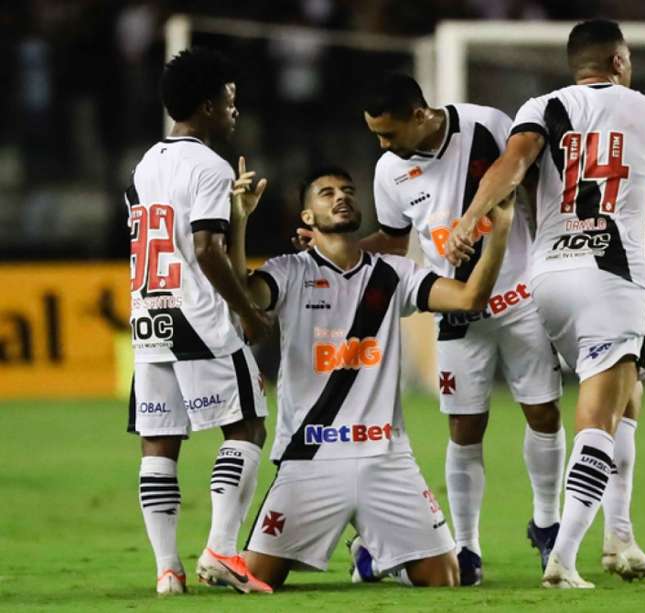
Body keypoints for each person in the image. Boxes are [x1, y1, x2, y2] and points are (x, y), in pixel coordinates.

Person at [445, 19, 645, 588]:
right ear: (620, 61)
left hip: (546, 277)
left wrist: (471, 216)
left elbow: (514, 164)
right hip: (613, 272)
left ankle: (619, 536)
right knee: (599, 416)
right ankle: (564, 558)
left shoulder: (543, 104)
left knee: (627, 399)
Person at [230, 164, 516, 590]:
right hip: (310, 458)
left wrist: (503, 229)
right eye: (325, 193)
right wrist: (240, 221)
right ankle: (372, 550)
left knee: (445, 579)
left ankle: (374, 560)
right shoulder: (290, 271)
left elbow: (470, 298)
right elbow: (241, 294)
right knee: (255, 579)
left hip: (386, 458)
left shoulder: (393, 273)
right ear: (307, 218)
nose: (340, 196)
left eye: (347, 190)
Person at [355, 74, 565, 584]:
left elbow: (523, 176)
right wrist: (338, 253)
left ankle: (547, 524)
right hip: (455, 311)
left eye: (389, 134)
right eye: (376, 136)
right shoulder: (389, 171)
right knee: (465, 428)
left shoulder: (486, 124)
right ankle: (467, 547)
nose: (383, 146)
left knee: (543, 411)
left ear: (420, 116)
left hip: (519, 297)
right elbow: (395, 238)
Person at [125, 48, 272, 595]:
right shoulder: (207, 166)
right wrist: (247, 310)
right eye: (231, 100)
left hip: (150, 315)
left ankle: (168, 569)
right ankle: (222, 550)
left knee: (159, 443)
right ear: (208, 105)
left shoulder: (145, 165)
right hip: (200, 318)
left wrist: (238, 218)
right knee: (248, 425)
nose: (235, 110)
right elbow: (208, 251)